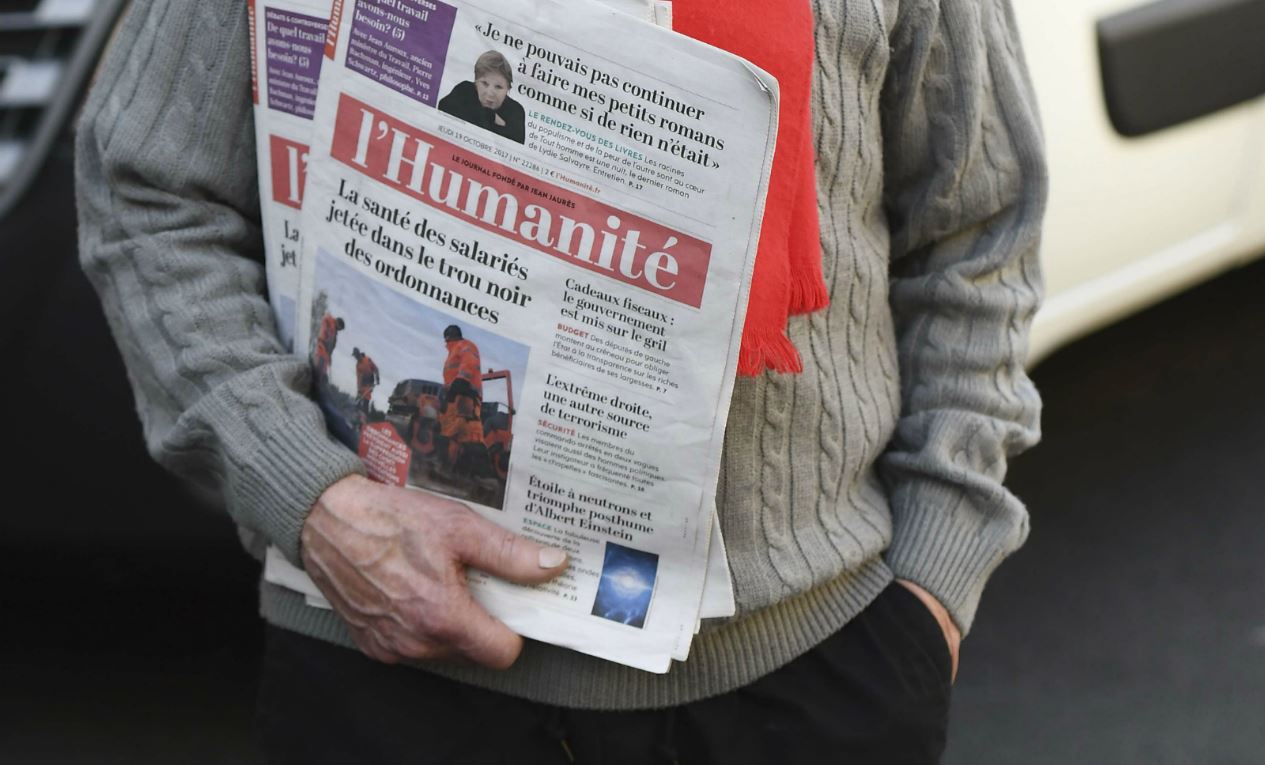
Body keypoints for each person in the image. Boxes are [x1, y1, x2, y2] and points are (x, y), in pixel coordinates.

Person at [75, 1, 1047, 762]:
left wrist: (933, 583)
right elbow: (147, 192)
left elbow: (976, 225)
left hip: (811, 679)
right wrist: (310, 500)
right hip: (384, 673)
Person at [437, 50, 526, 144]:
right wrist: (492, 117)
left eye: (498, 87)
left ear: (508, 89)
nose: (490, 93)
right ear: (476, 83)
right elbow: (444, 108)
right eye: (484, 83)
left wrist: (473, 113)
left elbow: (514, 143)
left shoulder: (516, 110)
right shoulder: (465, 89)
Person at [313, 313, 344, 385]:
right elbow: (325, 322)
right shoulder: (330, 323)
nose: (339, 330)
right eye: (340, 328)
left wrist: (329, 356)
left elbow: (331, 344)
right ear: (338, 323)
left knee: (323, 369)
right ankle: (315, 382)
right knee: (319, 366)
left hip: (326, 353)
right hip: (322, 348)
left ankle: (321, 383)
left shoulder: (334, 330)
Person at [351, 347, 380, 419]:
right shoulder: (358, 366)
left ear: (358, 354)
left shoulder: (367, 360)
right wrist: (359, 390)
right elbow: (359, 379)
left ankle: (364, 419)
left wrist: (377, 378)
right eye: (354, 356)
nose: (355, 357)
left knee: (366, 402)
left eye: (355, 355)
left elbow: (376, 369)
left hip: (370, 383)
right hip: (362, 385)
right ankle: (355, 417)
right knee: (357, 401)